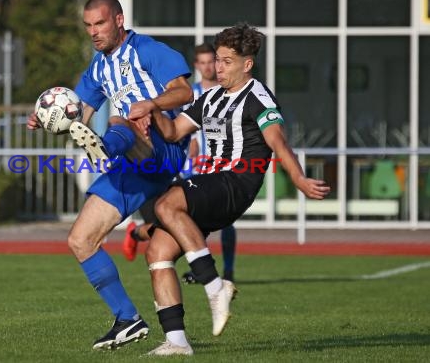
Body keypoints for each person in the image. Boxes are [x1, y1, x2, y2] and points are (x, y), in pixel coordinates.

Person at [129, 23, 331, 356]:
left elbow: (277, 141)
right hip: (212, 183)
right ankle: (177, 342)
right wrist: (153, 109)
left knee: (166, 205)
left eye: (225, 61)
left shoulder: (258, 97)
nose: (218, 68)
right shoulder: (210, 97)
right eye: (216, 60)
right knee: (157, 253)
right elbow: (174, 131)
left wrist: (297, 178)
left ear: (247, 64)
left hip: (236, 182)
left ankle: (215, 286)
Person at [27, 0, 193, 351]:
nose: (93, 32)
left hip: (162, 150)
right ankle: (127, 319)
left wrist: (150, 104)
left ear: (118, 20)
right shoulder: (98, 68)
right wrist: (48, 119)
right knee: (81, 240)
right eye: (88, 26)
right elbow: (79, 115)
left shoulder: (147, 50)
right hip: (130, 163)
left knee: (123, 116)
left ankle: (107, 148)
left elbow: (183, 92)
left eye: (99, 24)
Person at [123, 43, 238, 284]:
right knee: (181, 222)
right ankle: (198, 268)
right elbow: (175, 125)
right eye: (203, 62)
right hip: (189, 166)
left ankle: (227, 272)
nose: (208, 67)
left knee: (227, 221)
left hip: (220, 165)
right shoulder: (188, 93)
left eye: (212, 62)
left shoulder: (229, 93)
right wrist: (191, 141)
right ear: (196, 66)